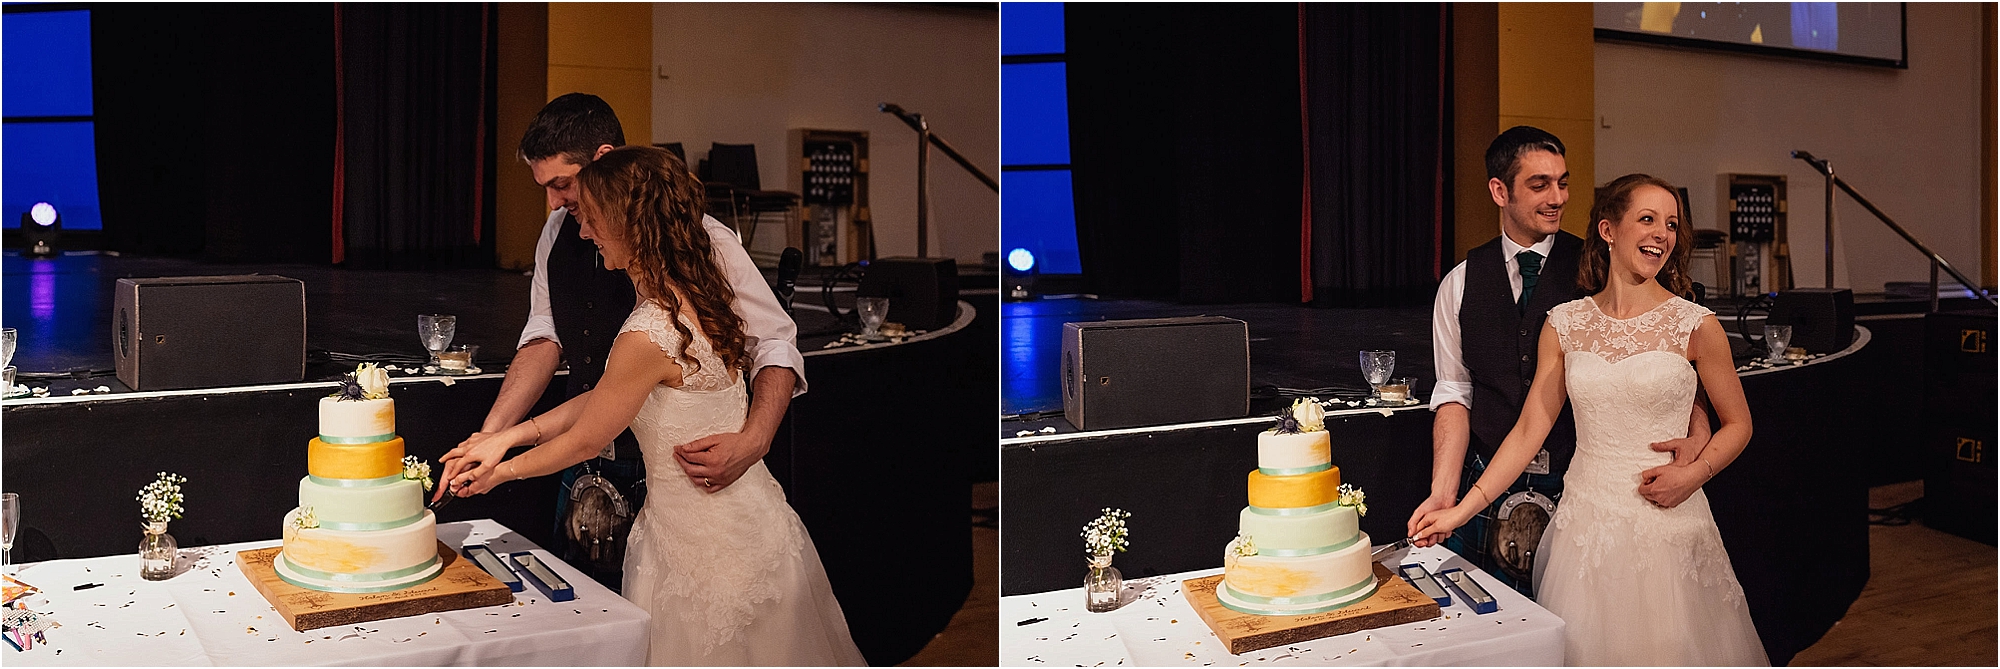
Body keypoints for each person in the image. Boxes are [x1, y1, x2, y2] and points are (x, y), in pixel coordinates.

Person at [441, 145, 866, 666]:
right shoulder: (704, 295)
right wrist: (508, 435)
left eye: (593, 219)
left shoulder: (648, 333)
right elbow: (607, 399)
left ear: (631, 225)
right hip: (755, 526)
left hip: (700, 556)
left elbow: (588, 438)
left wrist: (499, 475)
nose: (583, 232)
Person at [453, 93, 804, 592]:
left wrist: (755, 439)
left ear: (603, 160)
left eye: (562, 185)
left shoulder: (703, 242)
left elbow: (773, 342)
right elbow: (544, 337)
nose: (555, 205)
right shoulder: (557, 233)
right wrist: (492, 436)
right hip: (586, 462)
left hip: (676, 477)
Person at [1414, 174, 1768, 666]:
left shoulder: (1696, 325)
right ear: (1608, 230)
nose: (1661, 234)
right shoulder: (1565, 324)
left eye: (1670, 224)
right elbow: (1527, 432)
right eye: (1646, 220)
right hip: (1587, 530)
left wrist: (1693, 475)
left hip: (1668, 525)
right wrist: (1458, 510)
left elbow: (1740, 425)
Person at [1406, 126, 1712, 596]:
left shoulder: (1604, 267)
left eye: (1563, 183)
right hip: (1490, 477)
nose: (1556, 198)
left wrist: (1698, 430)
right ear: (1499, 191)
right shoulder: (1460, 283)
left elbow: (1665, 360)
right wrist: (1447, 492)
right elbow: (1454, 391)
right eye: (1539, 184)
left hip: (1584, 486)